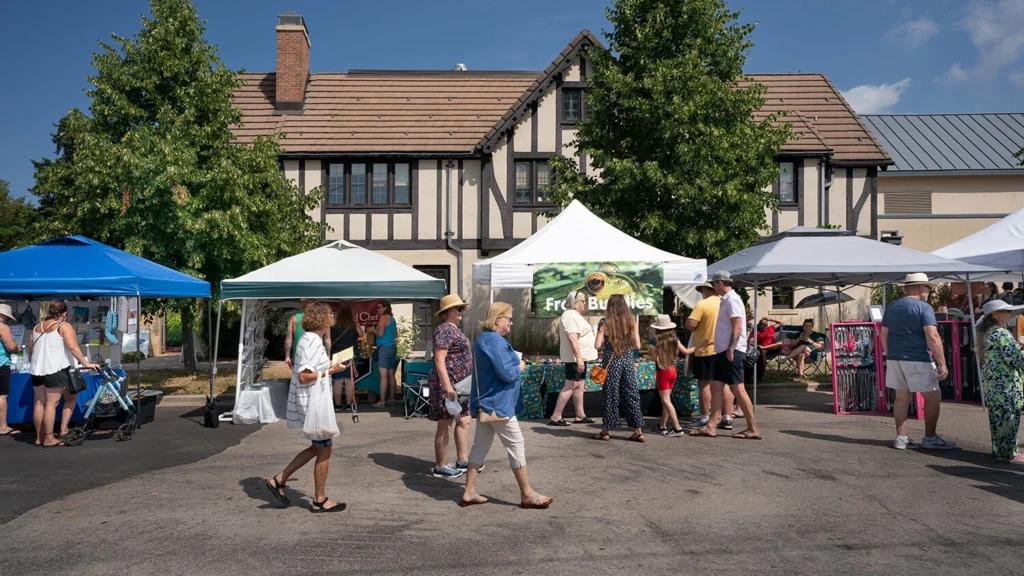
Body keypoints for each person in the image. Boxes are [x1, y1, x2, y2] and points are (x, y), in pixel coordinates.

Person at [459, 302, 553, 509]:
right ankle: (527, 493)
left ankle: (469, 491)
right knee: (516, 444)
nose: (511, 323)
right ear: (497, 318)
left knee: (480, 446)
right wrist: (519, 366)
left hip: (488, 402)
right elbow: (506, 373)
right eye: (509, 318)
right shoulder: (493, 340)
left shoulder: (484, 339)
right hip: (498, 403)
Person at [266, 302, 349, 512]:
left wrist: (329, 367)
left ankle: (279, 479)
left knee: (319, 447)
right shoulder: (312, 341)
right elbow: (304, 376)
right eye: (329, 316)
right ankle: (319, 499)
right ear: (324, 320)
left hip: (313, 401)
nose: (332, 318)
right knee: (325, 448)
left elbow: (308, 371)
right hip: (314, 403)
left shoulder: (308, 339)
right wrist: (330, 372)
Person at [881, 273, 953, 451]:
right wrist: (942, 363)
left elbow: (883, 334)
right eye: (928, 287)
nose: (928, 291)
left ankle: (901, 437)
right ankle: (930, 437)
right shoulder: (924, 307)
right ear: (921, 288)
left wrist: (888, 352)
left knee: (901, 398)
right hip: (918, 358)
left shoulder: (891, 306)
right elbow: (932, 335)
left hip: (895, 358)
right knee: (933, 397)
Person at [691, 271, 761, 439]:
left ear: (720, 283)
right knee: (716, 387)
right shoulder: (727, 300)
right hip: (723, 351)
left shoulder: (732, 300)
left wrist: (731, 348)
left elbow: (737, 326)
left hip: (731, 351)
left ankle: (753, 428)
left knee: (738, 388)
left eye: (714, 284)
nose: (713, 287)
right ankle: (711, 426)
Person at [29, 301, 100, 447]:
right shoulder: (64, 326)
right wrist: (86, 363)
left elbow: (31, 351)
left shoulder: (36, 328)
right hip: (54, 369)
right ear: (64, 314)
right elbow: (73, 347)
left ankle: (39, 437)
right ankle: (50, 438)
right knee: (51, 403)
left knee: (39, 403)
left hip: (37, 370)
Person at [427, 295, 473, 479]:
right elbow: (439, 360)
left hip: (461, 384)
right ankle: (440, 466)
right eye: (459, 308)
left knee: (464, 420)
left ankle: (462, 461)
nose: (462, 311)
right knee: (445, 424)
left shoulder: (454, 329)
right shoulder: (445, 330)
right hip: (449, 384)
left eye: (462, 308)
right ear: (447, 313)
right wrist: (448, 387)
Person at [975, 300, 1024, 464]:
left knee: (999, 419)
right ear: (995, 314)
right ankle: (1009, 453)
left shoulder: (988, 333)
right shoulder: (1001, 334)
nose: (1010, 314)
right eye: (1006, 311)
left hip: (996, 385)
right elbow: (1017, 359)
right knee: (1009, 418)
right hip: (1007, 385)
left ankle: (1002, 451)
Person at [592, 294, 645, 442]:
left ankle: (606, 431)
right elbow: (638, 346)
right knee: (631, 394)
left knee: (610, 395)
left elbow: (597, 346)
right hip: (627, 361)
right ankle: (638, 431)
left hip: (611, 362)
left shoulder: (604, 322)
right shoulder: (631, 321)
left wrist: (602, 333)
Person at [685, 283, 737, 430]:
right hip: (723, 348)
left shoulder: (702, 304)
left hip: (705, 349)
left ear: (707, 289)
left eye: (701, 289)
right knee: (725, 384)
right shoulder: (725, 302)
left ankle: (704, 417)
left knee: (704, 385)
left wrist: (690, 323)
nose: (701, 292)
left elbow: (691, 324)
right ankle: (727, 417)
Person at [549, 290, 598, 426]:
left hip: (578, 358)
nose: (585, 304)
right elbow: (572, 337)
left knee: (579, 385)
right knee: (571, 385)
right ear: (575, 302)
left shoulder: (574, 315)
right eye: (583, 301)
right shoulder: (571, 315)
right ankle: (556, 416)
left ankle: (580, 415)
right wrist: (579, 359)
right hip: (575, 359)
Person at [650, 314, 700, 437]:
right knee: (667, 400)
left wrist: (646, 357)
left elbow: (654, 358)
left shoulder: (654, 340)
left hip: (662, 371)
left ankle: (677, 428)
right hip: (673, 370)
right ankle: (662, 425)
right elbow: (686, 352)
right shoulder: (674, 339)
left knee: (666, 400)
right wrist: (701, 345)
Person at [330, 306, 363, 413]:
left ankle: (337, 405)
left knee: (338, 381)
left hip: (337, 356)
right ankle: (349, 405)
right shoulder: (354, 325)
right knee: (349, 381)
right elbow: (362, 336)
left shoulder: (333, 326)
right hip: (350, 356)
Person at [0, 304, 24, 436]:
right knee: (2, 396)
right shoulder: (3, 327)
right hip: (1, 363)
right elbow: (10, 346)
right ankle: (2, 427)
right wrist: (18, 348)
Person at [373, 300, 399, 408]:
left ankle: (382, 401)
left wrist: (372, 330)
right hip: (392, 346)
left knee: (383, 375)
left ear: (384, 308)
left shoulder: (383, 318)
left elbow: (380, 333)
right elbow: (396, 334)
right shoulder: (392, 319)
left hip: (384, 347)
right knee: (391, 374)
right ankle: (392, 398)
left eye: (379, 307)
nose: (377, 310)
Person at [284, 299, 312, 372]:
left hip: (298, 356)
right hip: (316, 356)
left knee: (298, 381)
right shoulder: (321, 318)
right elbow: (327, 339)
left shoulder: (294, 318)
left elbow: (288, 340)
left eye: (301, 302)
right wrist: (328, 356)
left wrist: (287, 356)